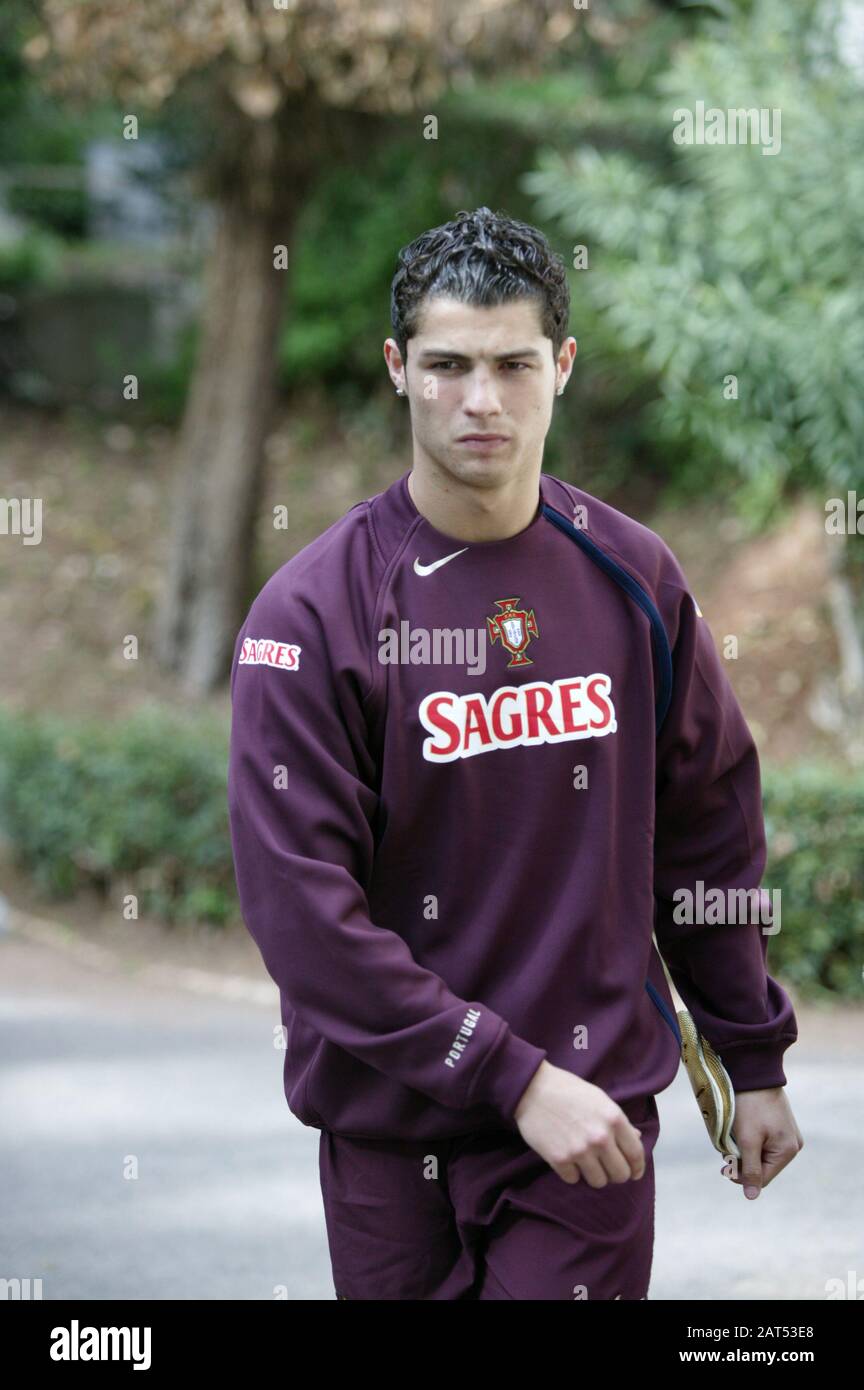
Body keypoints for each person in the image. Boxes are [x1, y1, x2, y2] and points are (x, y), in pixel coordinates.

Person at [227, 206, 803, 1300]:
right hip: (391, 1134)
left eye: (512, 364)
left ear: (563, 366)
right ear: (398, 367)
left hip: (586, 1133)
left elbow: (708, 834)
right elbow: (305, 915)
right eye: (447, 364)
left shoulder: (636, 579)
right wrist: (504, 1072)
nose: (480, 400)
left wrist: (754, 1057)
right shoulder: (313, 615)